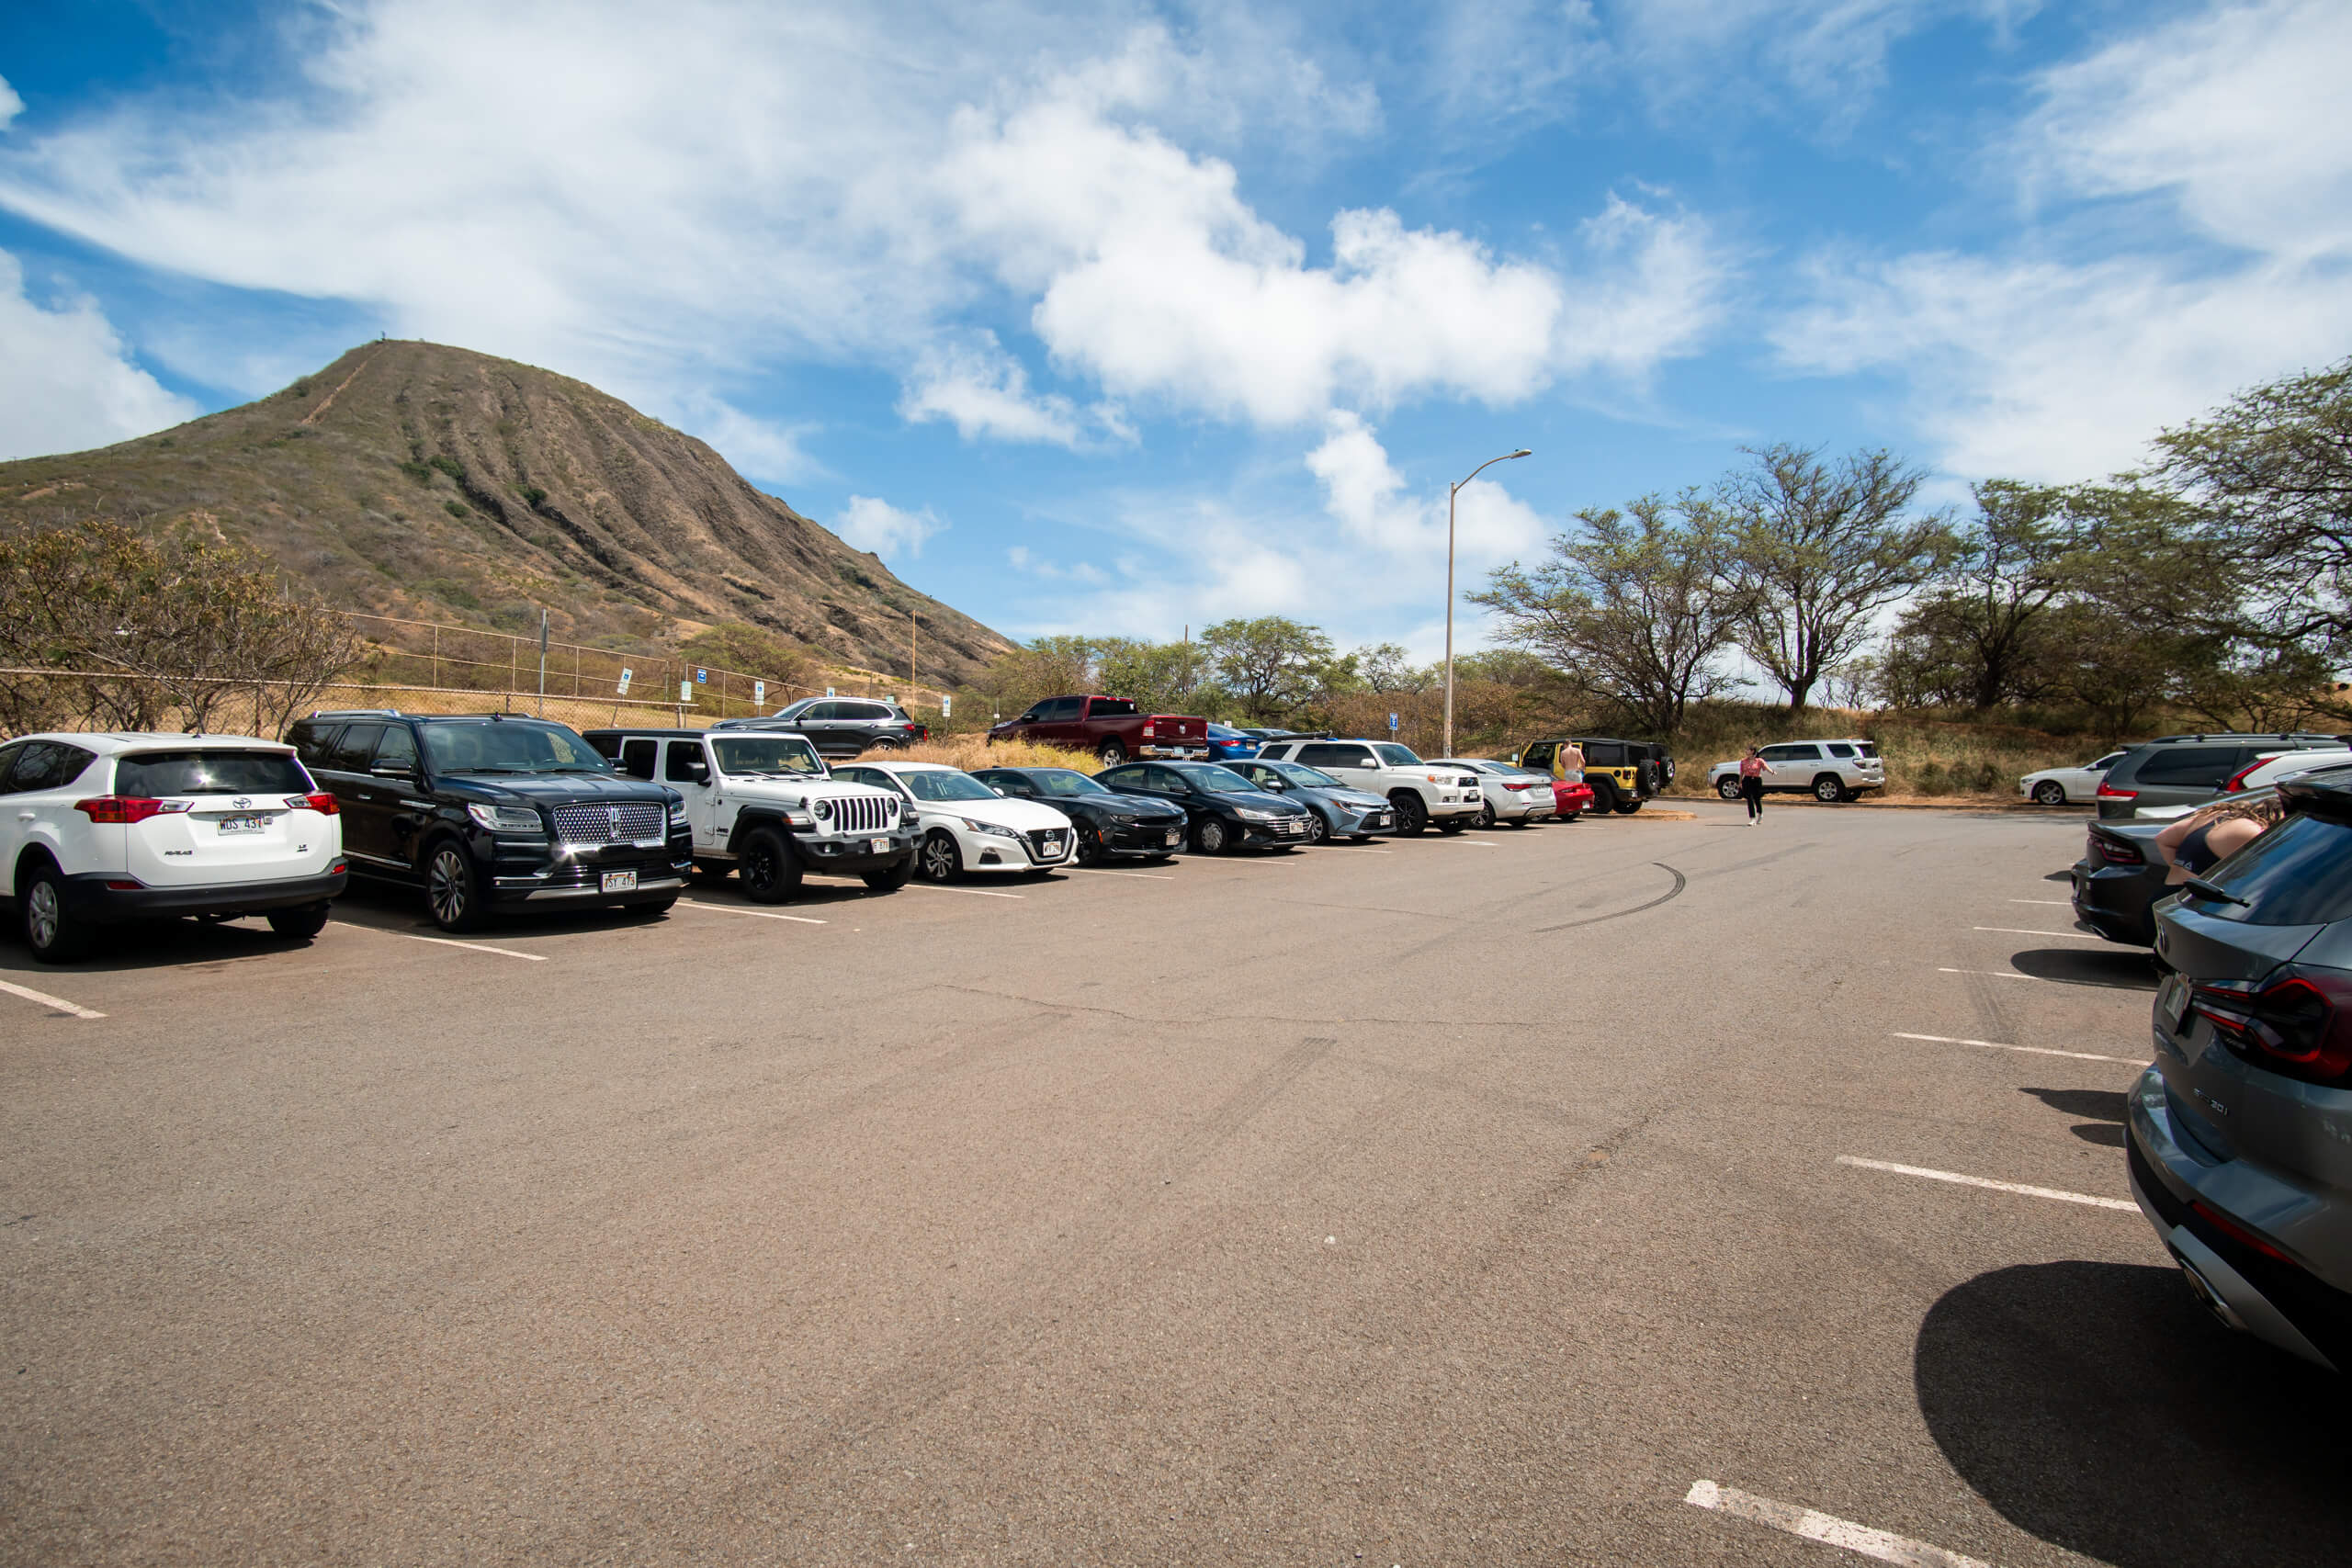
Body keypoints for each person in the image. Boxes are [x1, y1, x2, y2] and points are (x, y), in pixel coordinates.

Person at [2155, 795, 2286, 884]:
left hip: (2166, 897)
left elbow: (2163, 839)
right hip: (2197, 904)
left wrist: (2183, 870)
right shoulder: (2252, 831)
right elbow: (2268, 877)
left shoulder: (2216, 815)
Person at [1738, 746, 1766, 825]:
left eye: (1747, 750)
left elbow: (1764, 768)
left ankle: (1760, 813)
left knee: (1757, 798)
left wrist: (1772, 772)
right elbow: (1741, 772)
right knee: (1749, 798)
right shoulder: (1743, 761)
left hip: (1756, 780)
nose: (1746, 751)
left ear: (1752, 751)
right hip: (1747, 780)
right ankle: (1752, 819)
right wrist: (1739, 782)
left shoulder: (1758, 760)